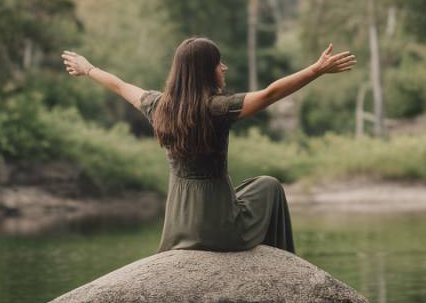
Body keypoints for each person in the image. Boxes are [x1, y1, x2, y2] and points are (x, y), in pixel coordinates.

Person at [61, 37, 356, 254]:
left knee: (252, 188)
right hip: (218, 230)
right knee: (269, 187)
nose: (224, 68)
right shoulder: (218, 108)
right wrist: (315, 70)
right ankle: (281, 264)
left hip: (177, 230)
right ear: (206, 71)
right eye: (218, 63)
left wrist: (88, 69)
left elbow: (120, 85)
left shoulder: (158, 106)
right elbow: (269, 94)